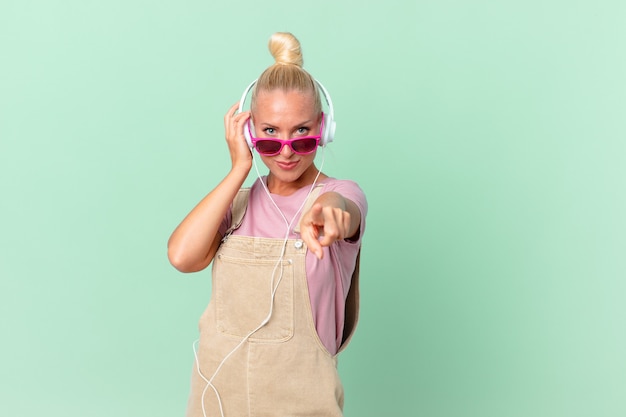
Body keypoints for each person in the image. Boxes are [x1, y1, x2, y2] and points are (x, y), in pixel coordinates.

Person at [167, 32, 367, 417]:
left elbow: (344, 208)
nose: (287, 151)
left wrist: (329, 212)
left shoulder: (343, 194)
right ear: (249, 132)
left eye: (303, 134)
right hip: (217, 401)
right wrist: (239, 167)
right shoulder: (235, 205)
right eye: (271, 134)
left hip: (303, 403)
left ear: (324, 130)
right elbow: (181, 256)